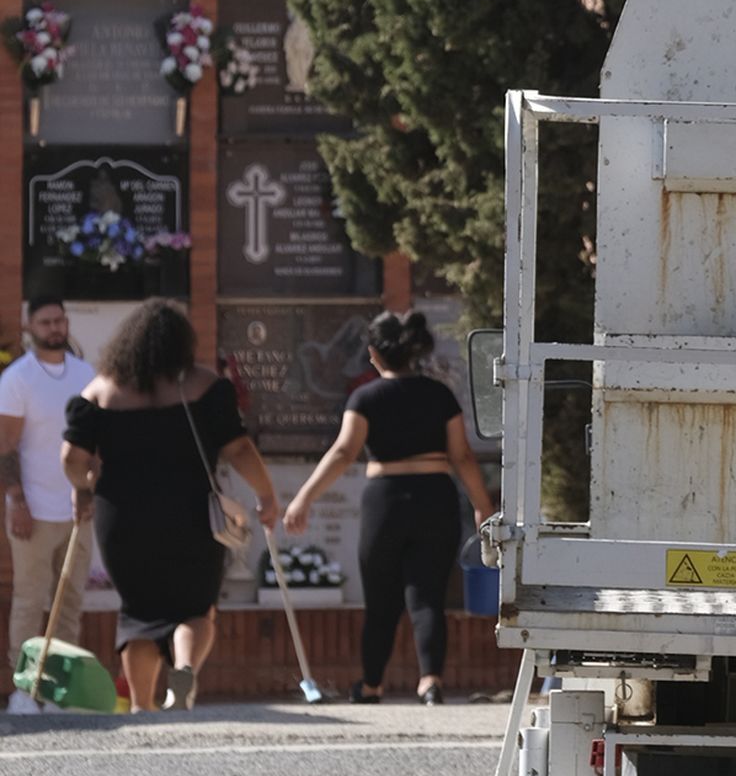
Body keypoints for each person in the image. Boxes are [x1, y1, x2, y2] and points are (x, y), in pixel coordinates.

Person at [62, 301, 280, 713]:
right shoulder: (202, 385)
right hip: (191, 510)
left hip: (122, 516)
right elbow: (239, 447)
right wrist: (267, 496)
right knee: (195, 606)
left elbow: (72, 458)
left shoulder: (101, 390)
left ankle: (144, 706)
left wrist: (83, 488)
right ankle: (184, 668)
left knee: (138, 612)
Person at [284, 309, 491, 705]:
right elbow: (462, 456)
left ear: (374, 354)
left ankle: (372, 684)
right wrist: (481, 505)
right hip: (436, 495)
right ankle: (430, 681)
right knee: (428, 595)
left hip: (385, 500)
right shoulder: (440, 394)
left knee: (381, 598)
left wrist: (304, 498)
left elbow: (345, 451)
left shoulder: (364, 397)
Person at [1, 293, 95, 693]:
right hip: (33, 512)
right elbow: (5, 447)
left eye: (60, 320)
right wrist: (18, 502)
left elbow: (96, 442)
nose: (55, 328)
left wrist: (90, 492)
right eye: (45, 322)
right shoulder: (17, 378)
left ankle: (62, 689)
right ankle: (25, 690)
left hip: (78, 510)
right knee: (29, 602)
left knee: (70, 604)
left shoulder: (86, 374)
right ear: (29, 327)